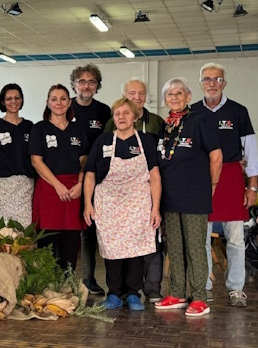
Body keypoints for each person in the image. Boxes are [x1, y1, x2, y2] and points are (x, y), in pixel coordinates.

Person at [83, 97, 161, 311]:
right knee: (112, 249)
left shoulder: (146, 141)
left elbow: (154, 176)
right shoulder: (103, 141)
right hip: (108, 202)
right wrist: (87, 204)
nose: (121, 117)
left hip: (137, 202)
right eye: (117, 113)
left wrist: (155, 208)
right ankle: (115, 293)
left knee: (136, 250)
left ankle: (134, 294)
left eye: (126, 113)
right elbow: (89, 174)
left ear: (135, 116)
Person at [191, 62, 258, 307]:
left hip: (230, 179)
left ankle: (236, 288)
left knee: (236, 239)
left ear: (224, 83)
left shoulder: (238, 111)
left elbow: (251, 152)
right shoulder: (192, 111)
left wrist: (252, 186)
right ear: (200, 83)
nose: (212, 83)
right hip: (201, 180)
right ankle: (204, 287)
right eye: (207, 79)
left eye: (217, 79)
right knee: (201, 239)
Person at [154, 77, 222, 317]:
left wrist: (211, 185)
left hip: (194, 196)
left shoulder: (200, 120)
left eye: (179, 93)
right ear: (165, 100)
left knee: (195, 248)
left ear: (188, 97)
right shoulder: (165, 126)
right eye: (170, 95)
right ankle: (176, 293)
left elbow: (216, 156)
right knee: (174, 248)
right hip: (169, 198)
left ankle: (200, 297)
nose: (174, 98)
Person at [104, 78, 165, 303]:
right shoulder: (111, 128)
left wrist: (156, 202)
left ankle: (149, 288)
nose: (137, 97)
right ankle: (120, 291)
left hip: (146, 195)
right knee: (119, 246)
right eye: (132, 93)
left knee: (149, 243)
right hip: (115, 201)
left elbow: (158, 164)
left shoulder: (157, 122)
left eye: (141, 93)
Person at [29, 84, 87, 270]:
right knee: (49, 243)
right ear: (47, 103)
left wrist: (80, 183)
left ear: (69, 102)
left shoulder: (77, 129)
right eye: (54, 99)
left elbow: (84, 160)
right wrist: (57, 185)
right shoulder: (39, 128)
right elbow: (36, 161)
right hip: (49, 189)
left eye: (63, 99)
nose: (59, 103)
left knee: (71, 243)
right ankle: (49, 288)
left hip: (73, 190)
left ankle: (68, 286)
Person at [69, 64, 110, 295]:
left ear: (97, 86)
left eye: (91, 81)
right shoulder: (65, 107)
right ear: (74, 85)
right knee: (66, 232)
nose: (86, 85)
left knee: (89, 230)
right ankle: (64, 279)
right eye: (82, 81)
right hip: (67, 177)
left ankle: (88, 279)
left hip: (95, 178)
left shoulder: (104, 112)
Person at [0, 83, 35, 227]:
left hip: (25, 188)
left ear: (22, 100)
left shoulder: (30, 127)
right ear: (2, 102)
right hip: (0, 187)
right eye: (9, 98)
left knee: (23, 232)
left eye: (17, 98)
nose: (13, 102)